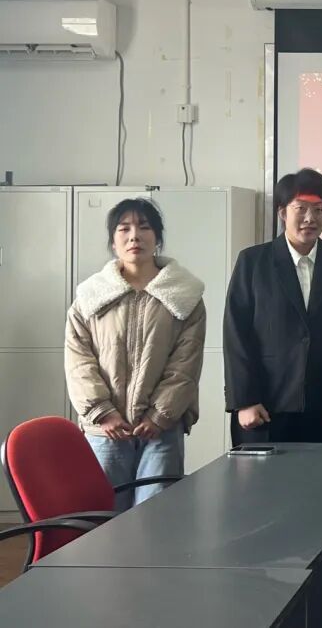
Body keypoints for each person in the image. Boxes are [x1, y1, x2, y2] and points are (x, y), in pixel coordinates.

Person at [65, 199, 205, 511]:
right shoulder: (90, 296)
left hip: (160, 432)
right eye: (124, 229)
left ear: (157, 237)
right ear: (113, 240)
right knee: (104, 518)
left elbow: (185, 365)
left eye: (144, 227)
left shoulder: (185, 296)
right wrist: (102, 411)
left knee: (155, 517)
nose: (134, 236)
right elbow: (78, 361)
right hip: (105, 430)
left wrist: (159, 416)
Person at [224, 168, 322, 445]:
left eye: (319, 209)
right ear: (283, 212)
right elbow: (236, 334)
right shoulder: (253, 262)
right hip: (264, 405)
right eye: (301, 208)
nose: (310, 218)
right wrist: (244, 400)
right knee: (259, 475)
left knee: (320, 474)